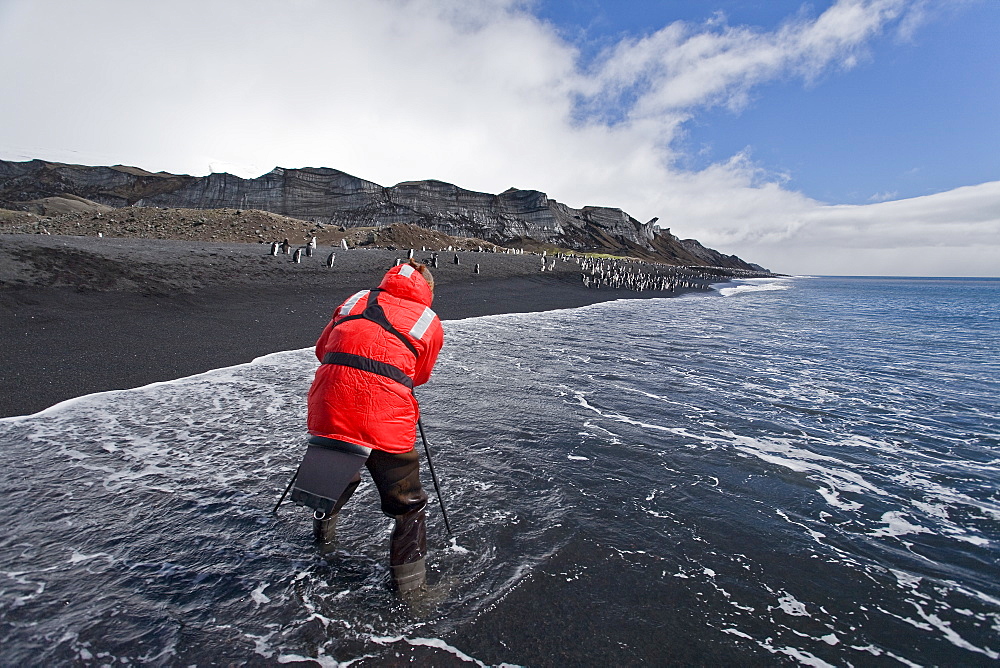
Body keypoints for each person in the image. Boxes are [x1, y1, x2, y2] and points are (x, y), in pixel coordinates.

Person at [305, 259, 444, 592]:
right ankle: (412, 593)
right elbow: (419, 375)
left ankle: (321, 542)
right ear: (428, 290)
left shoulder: (356, 300)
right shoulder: (428, 320)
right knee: (407, 506)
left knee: (332, 478)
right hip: (386, 417)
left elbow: (322, 350)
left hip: (328, 405)